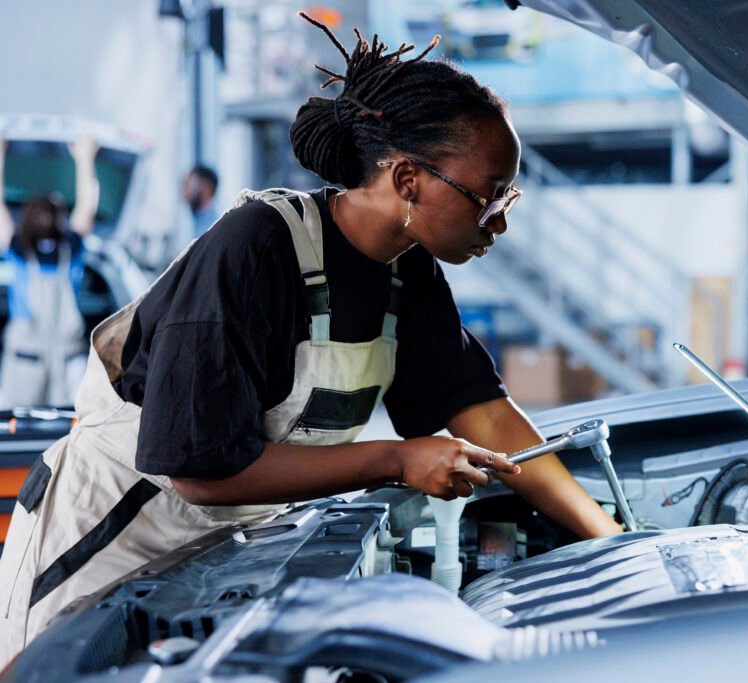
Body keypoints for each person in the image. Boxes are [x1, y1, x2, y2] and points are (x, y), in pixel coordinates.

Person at [0, 19, 621, 666]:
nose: (500, 221)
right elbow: (199, 468)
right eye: (488, 197)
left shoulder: (407, 276)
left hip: (222, 552)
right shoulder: (255, 247)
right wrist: (398, 458)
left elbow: (485, 414)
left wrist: (608, 537)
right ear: (407, 179)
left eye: (507, 197)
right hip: (109, 538)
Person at [0, 135, 99, 408]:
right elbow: (87, 209)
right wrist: (84, 158)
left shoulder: (18, 249)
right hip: (68, 360)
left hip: (27, 359)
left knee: (16, 429)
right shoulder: (72, 248)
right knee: (72, 429)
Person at [182, 163, 219, 237]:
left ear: (205, 187)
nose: (184, 192)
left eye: (187, 184)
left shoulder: (217, 225)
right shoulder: (196, 219)